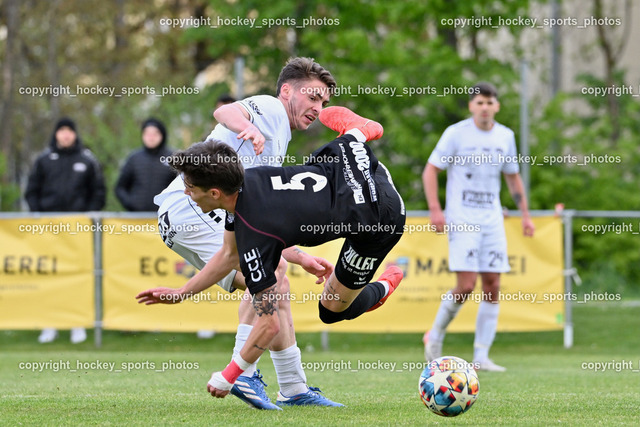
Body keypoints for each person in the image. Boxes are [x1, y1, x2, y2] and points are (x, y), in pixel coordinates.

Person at [136, 106, 406, 402]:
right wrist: (182, 292)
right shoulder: (244, 182)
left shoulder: (255, 233)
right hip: (347, 161)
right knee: (324, 158)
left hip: (381, 216)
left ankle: (381, 289)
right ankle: (358, 130)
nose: (186, 193)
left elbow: (269, 324)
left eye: (189, 187)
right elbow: (228, 255)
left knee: (332, 310)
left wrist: (229, 375)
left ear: (214, 193)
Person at [151, 57, 342, 409]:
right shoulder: (271, 109)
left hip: (194, 214)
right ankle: (244, 373)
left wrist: (300, 256)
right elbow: (224, 112)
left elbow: (260, 222)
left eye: (324, 102)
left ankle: (293, 387)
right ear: (287, 91)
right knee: (271, 276)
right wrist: (248, 128)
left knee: (276, 282)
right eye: (313, 97)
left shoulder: (280, 136)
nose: (318, 108)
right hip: (192, 207)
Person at [421, 82, 535, 372]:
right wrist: (436, 209)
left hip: (492, 218)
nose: (485, 107)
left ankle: (481, 356)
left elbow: (512, 177)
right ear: (472, 105)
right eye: (480, 102)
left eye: (490, 102)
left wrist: (525, 215)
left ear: (497, 106)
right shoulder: (456, 133)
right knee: (466, 285)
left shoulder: (505, 136)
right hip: (463, 218)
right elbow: (431, 170)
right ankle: (434, 336)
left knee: (493, 285)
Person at [25, 117, 106, 344]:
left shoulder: (87, 160)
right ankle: (49, 324)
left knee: (78, 275)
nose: (66, 134)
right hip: (49, 231)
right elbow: (31, 192)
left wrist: (86, 217)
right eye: (61, 130)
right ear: (56, 134)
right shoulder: (43, 160)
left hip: (78, 231)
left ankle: (76, 324)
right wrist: (40, 217)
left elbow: (98, 193)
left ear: (75, 134)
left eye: (70, 130)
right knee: (50, 275)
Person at [115, 118, 175, 212]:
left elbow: (182, 188)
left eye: (155, 134)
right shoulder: (134, 158)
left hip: (165, 216)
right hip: (137, 217)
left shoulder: (173, 158)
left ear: (162, 135)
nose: (151, 137)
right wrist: (130, 204)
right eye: (147, 134)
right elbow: (120, 188)